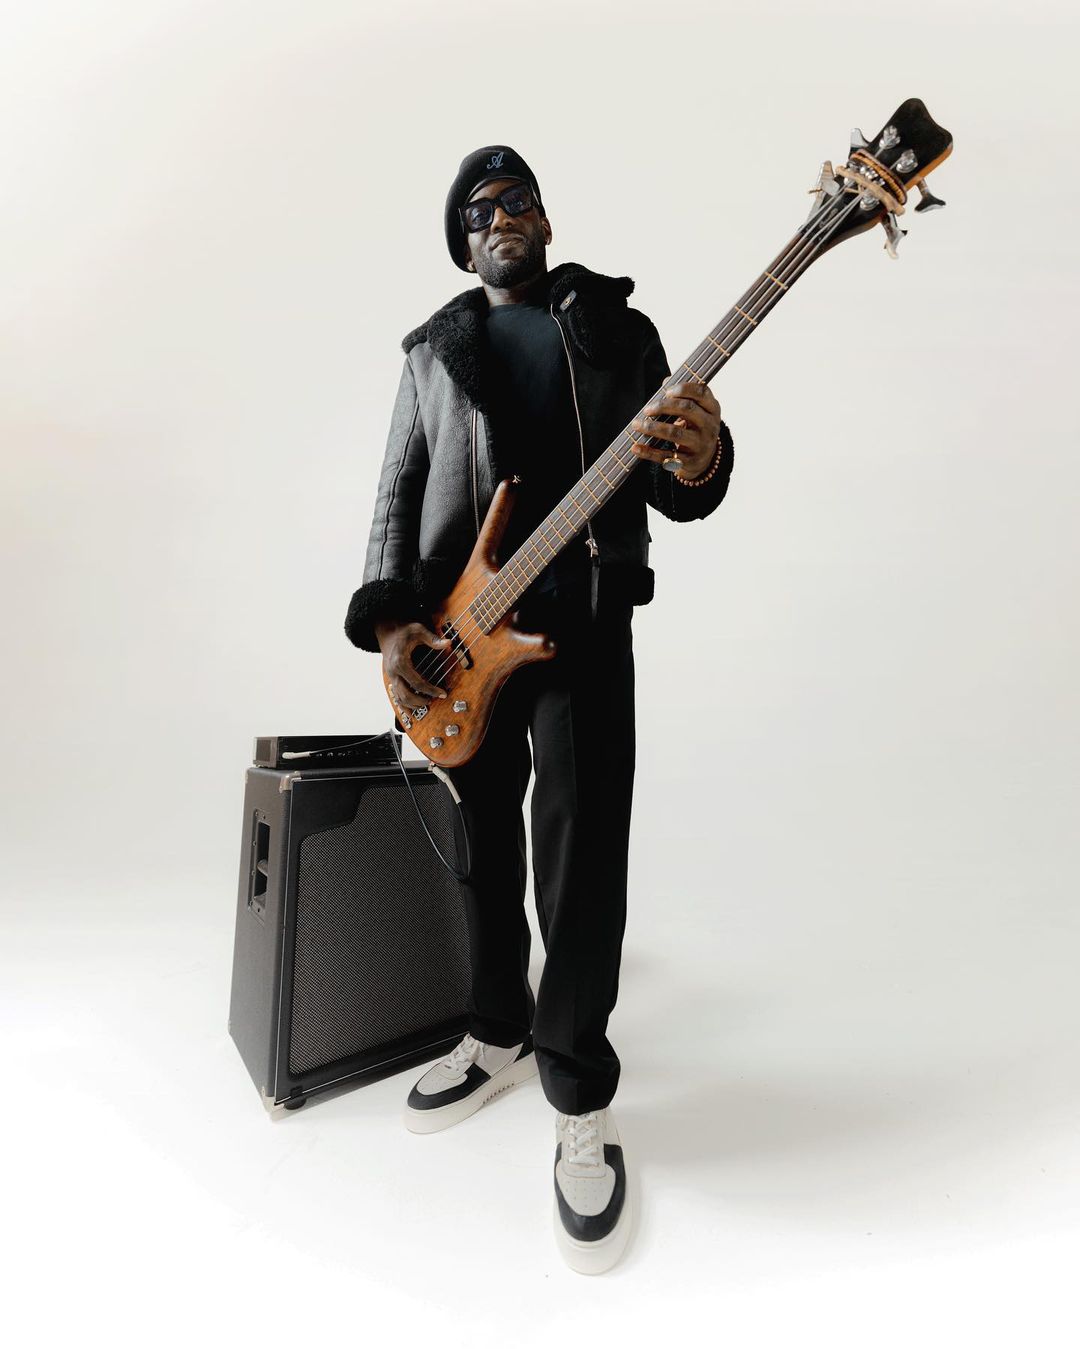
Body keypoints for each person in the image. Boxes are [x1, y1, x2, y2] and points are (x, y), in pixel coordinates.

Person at [344, 145, 735, 1274]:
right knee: (480, 847)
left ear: (548, 220)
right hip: (461, 641)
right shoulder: (431, 354)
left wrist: (704, 457)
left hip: (582, 628)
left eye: (516, 200)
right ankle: (497, 1027)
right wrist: (394, 628)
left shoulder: (617, 331)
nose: (499, 217)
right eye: (477, 212)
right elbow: (395, 497)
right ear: (463, 247)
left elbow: (672, 474)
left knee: (579, 856)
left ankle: (576, 1089)